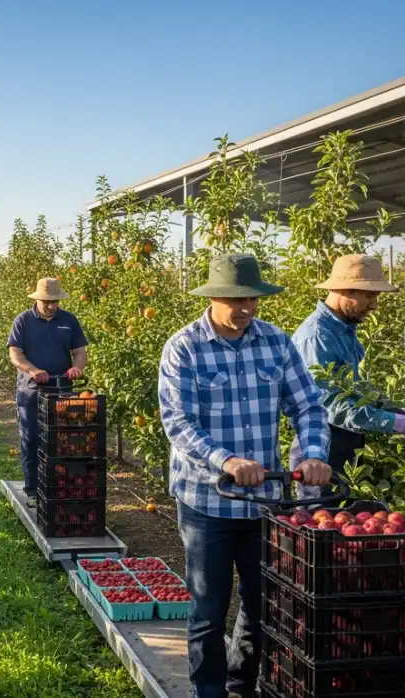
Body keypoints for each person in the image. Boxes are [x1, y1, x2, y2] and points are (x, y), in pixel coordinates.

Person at [157, 253, 332, 698]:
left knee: (262, 606)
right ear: (214, 297)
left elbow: (309, 406)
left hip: (264, 502)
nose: (247, 308)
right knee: (208, 608)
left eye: (253, 299)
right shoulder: (184, 347)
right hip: (206, 502)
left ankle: (240, 685)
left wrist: (312, 453)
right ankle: (209, 691)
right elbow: (178, 422)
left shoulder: (276, 343)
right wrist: (226, 461)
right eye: (237, 299)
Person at [290, 254, 405, 488]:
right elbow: (331, 407)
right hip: (319, 450)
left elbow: (354, 388)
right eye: (369, 295)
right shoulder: (317, 338)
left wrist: (390, 408)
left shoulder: (344, 329)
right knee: (318, 517)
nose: (374, 305)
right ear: (345, 290)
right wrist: (394, 422)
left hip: (344, 442)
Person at [6, 278, 88, 504]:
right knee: (31, 438)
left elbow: (80, 351)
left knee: (63, 440)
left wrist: (76, 368)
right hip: (31, 390)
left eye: (55, 302)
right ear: (37, 299)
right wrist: (33, 370)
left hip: (62, 389)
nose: (51, 306)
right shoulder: (23, 321)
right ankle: (32, 489)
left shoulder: (69, 320)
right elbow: (16, 354)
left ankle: (59, 487)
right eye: (46, 302)